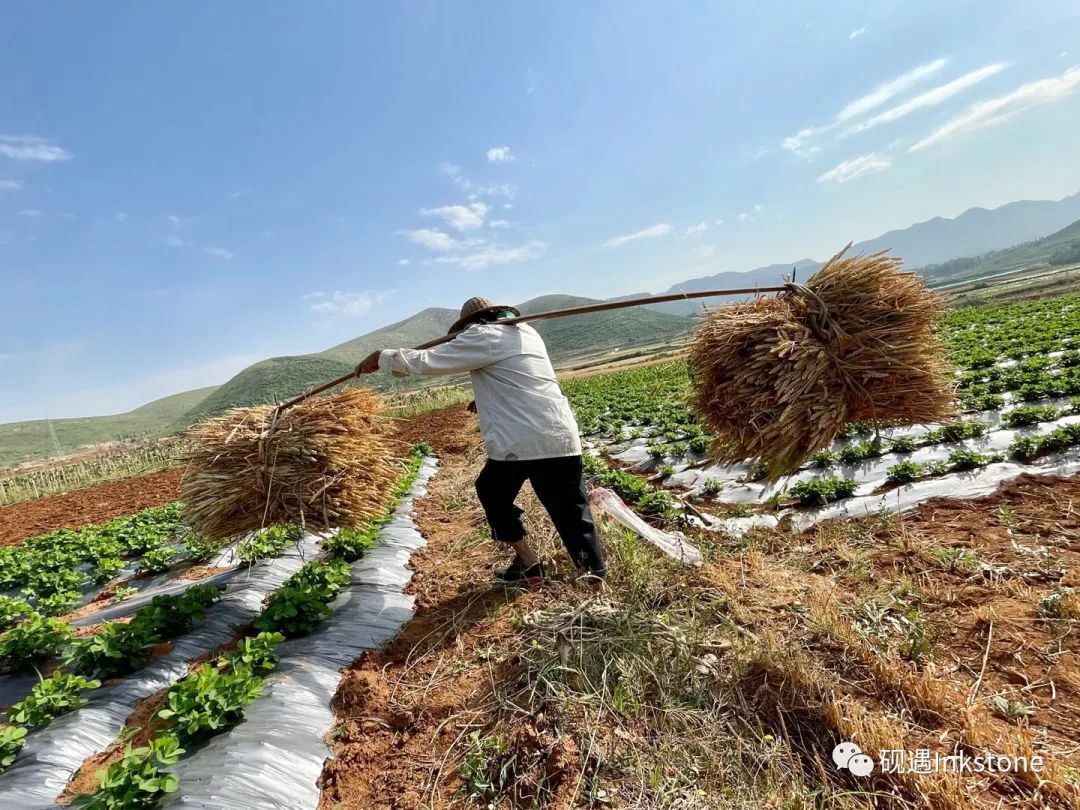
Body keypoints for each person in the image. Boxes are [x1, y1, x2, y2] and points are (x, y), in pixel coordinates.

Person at [355, 296, 607, 585]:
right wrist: (487, 398)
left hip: (522, 442)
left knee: (492, 492)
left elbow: (430, 361)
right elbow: (518, 375)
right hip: (558, 435)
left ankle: (529, 564)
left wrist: (382, 356)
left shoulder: (483, 335)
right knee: (571, 509)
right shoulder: (526, 333)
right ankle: (593, 575)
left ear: (471, 323)